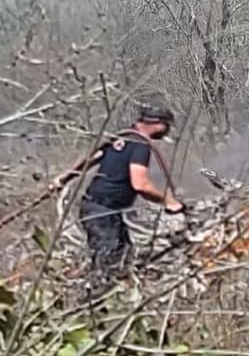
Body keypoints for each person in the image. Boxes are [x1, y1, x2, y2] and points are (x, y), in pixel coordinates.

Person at [78, 101, 186, 288]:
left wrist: (60, 180)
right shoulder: (140, 144)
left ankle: (110, 295)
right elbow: (140, 184)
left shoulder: (121, 137)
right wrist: (168, 200)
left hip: (97, 208)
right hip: (102, 211)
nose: (166, 131)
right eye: (166, 126)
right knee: (108, 262)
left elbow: (90, 159)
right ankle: (95, 301)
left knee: (123, 253)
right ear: (158, 123)